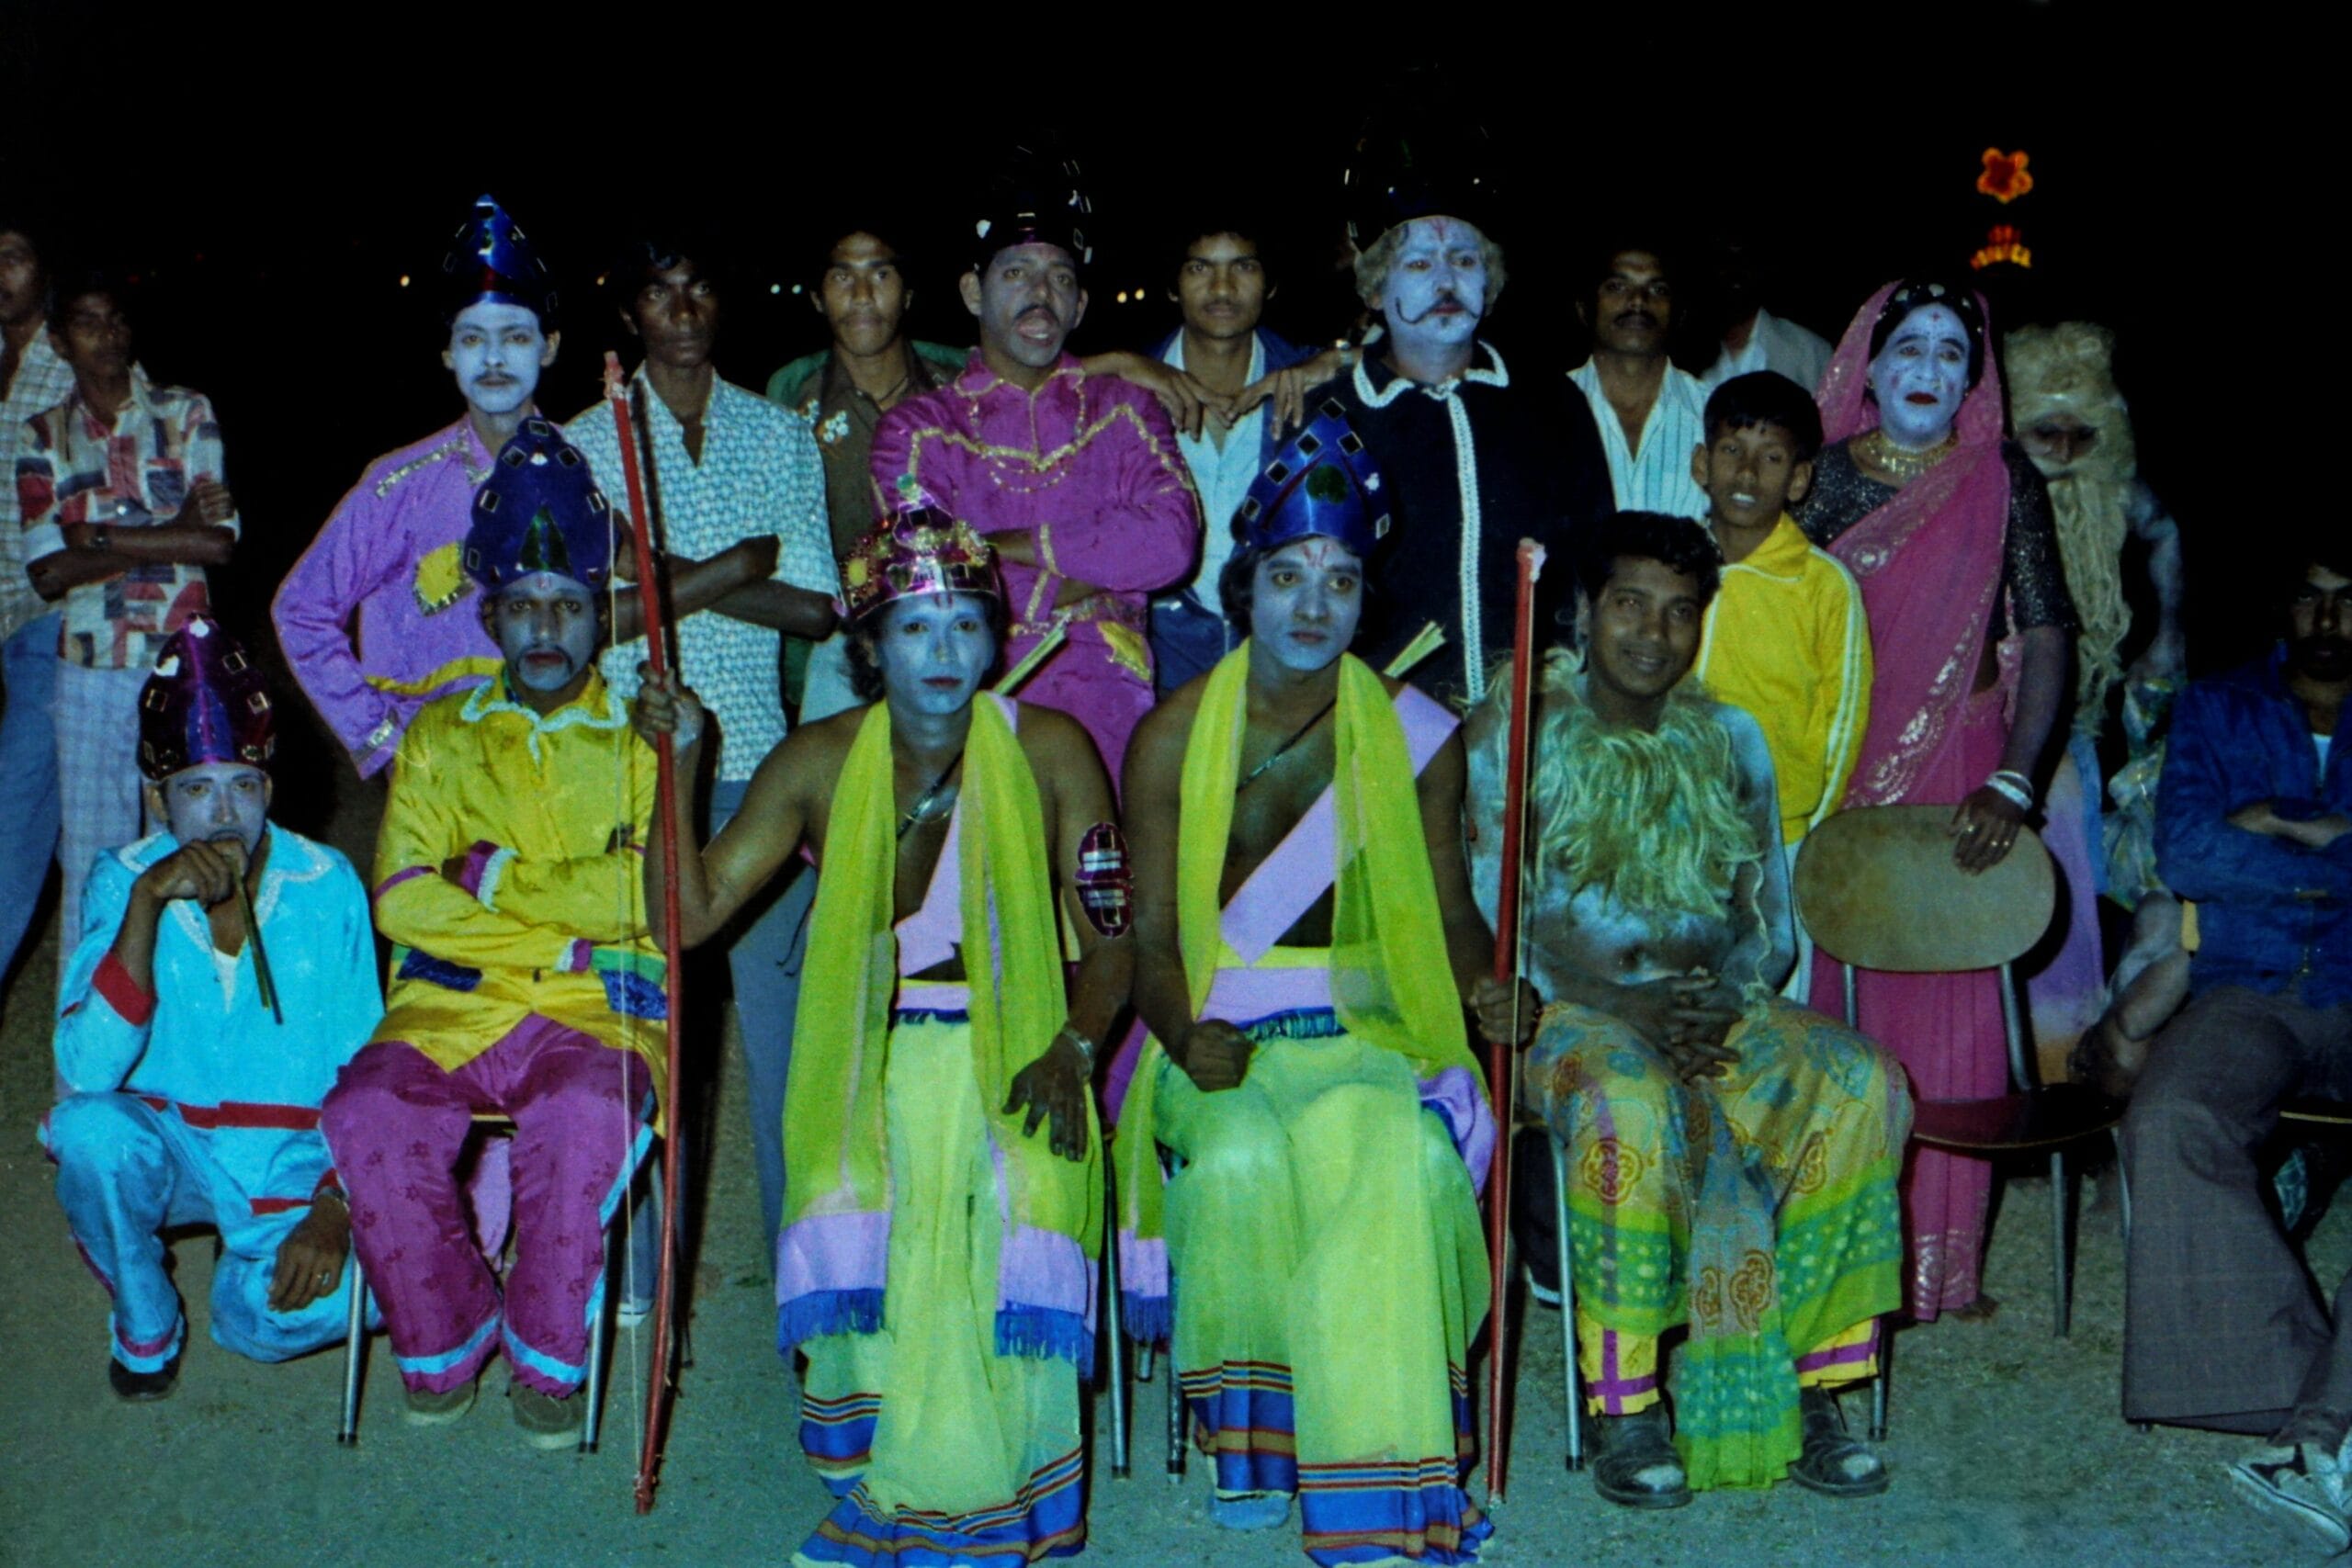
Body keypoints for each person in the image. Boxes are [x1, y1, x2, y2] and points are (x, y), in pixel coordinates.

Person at [633, 513, 1125, 1565]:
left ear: (997, 639)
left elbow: (1115, 941)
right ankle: (903, 1453)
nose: (942, 654)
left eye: (962, 626)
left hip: (1023, 1049)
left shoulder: (1051, 751)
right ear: (867, 647)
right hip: (867, 1052)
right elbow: (690, 913)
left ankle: (937, 1503)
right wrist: (676, 764)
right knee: (890, 1154)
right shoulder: (817, 760)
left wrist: (1073, 1051)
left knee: (975, 1171)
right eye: (912, 629)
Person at [1114, 408, 1510, 1563]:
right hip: (1222, 1036)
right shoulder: (1171, 738)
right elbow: (1144, 937)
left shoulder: (1414, 735)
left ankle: (1383, 1480)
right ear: (1245, 588)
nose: (1312, 605)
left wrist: (1490, 988)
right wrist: (1183, 1035)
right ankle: (1255, 1445)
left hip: (1364, 1026)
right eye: (1287, 576)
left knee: (1389, 1154)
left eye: (1339, 581)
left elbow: (1448, 912)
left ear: (1363, 599)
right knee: (1235, 1163)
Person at [1467, 511, 1909, 1507]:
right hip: (1563, 1019)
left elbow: (1769, 922)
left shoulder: (1730, 737)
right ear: (1582, 613)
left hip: (1712, 1008)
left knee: (1857, 1081)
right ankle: (1622, 1406)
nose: (1651, 634)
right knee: (1626, 1103)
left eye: (1677, 612)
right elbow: (1495, 923)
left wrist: (1722, 1002)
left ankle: (1822, 1383)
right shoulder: (1515, 732)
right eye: (1628, 605)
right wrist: (1621, 1002)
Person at [320, 420, 663, 1449]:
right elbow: (401, 900)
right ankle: (453, 1321)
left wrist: (496, 879)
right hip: (453, 1000)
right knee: (367, 1112)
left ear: (598, 616)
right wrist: (561, 930)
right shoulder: (437, 734)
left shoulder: (648, 734)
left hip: (600, 1007)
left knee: (581, 1117)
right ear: (492, 616)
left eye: (566, 607)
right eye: (522, 609)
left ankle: (549, 1355)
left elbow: (647, 899)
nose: (544, 629)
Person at [1798, 280, 2075, 1323]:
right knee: (1838, 1002)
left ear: (1973, 377)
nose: (1926, 368)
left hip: (1965, 772)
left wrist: (2015, 776)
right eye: (1905, 346)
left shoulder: (2000, 480)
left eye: (1951, 352)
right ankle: (1834, 1251)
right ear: (1865, 366)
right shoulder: (1818, 479)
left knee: (1949, 1003)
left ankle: (1934, 1270)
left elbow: (2047, 632)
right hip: (1841, 769)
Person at [564, 233, 840, 1273]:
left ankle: (802, 1276)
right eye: (657, 291)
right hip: (632, 767)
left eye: (697, 287)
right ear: (631, 313)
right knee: (643, 1047)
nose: (679, 306)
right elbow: (584, 623)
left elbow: (816, 608)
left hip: (761, 771)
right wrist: (734, 564)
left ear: (721, 306)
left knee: (783, 1049)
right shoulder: (584, 442)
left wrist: (657, 575)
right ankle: (642, 1279)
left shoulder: (778, 435)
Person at [42, 617, 377, 1400]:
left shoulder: (325, 883)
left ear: (271, 789)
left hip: (288, 1167)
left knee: (307, 1304)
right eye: (196, 788)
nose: (223, 814)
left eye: (244, 785)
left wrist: (336, 1206)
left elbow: (369, 1067)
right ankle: (145, 1315)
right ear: (159, 799)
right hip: (174, 1148)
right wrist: (146, 904)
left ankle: (242, 1294)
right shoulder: (122, 876)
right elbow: (88, 1066)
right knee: (90, 1135)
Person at [2120, 552, 2352, 1551]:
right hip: (2247, 987)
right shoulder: (2217, 707)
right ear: (2281, 605)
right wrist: (2331, 843)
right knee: (2169, 1115)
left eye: (2349, 599)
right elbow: (2184, 851)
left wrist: (2268, 830)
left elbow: (2225, 852)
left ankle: (2324, 1434)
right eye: (2309, 594)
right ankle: (2301, 1389)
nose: (2328, 617)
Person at [868, 152, 1198, 784]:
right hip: (973, 712)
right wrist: (1096, 581)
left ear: (1079, 306)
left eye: (1060, 278)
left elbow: (1170, 543)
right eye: (1016, 273)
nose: (1040, 295)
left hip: (1113, 722)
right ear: (973, 291)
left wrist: (1004, 547)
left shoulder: (1124, 410)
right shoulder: (917, 431)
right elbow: (931, 583)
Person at [274, 196, 565, 781]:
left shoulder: (590, 467)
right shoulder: (398, 485)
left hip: (562, 757)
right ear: (446, 354)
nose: (493, 360)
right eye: (471, 339)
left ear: (549, 346)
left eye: (515, 337)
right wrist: (382, 739)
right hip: (439, 769)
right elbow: (301, 608)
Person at [1326, 175, 1611, 707]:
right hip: (1389, 719)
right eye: (1417, 264)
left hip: (1532, 718)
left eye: (1463, 261)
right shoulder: (1334, 412)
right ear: (1374, 291)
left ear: (1491, 282)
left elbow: (1594, 559)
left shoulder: (1552, 403)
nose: (1445, 282)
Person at [18, 271, 238, 953]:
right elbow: (49, 571)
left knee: (191, 849)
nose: (108, 336)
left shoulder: (186, 411)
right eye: (88, 323)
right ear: (58, 340)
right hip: (88, 670)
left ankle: (185, 1041)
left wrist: (101, 538)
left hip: (183, 665)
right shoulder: (42, 436)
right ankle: (88, 1054)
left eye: (116, 321)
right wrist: (168, 526)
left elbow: (216, 541)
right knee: (92, 864)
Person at [2006, 322, 2188, 1078]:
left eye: (2083, 433)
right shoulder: (1993, 485)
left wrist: (2168, 636)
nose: (2066, 448)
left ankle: (2065, 1067)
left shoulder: (2116, 490)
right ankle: (2002, 1060)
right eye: (2046, 431)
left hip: (2074, 721)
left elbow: (2165, 530)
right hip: (1992, 712)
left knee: (2070, 883)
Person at [1686, 372, 1871, 903]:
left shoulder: (1823, 585)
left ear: (1798, 479)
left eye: (1770, 458)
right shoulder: (1671, 563)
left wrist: (1815, 832)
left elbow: (1842, 721)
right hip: (1676, 813)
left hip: (1778, 830)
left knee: (1768, 973)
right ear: (1702, 463)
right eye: (1731, 450)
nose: (1746, 471)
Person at [1144, 222, 1329, 694]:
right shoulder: (1128, 389)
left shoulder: (1309, 379)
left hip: (1278, 654)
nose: (1222, 288)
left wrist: (1338, 362)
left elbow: (1413, 365)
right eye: (1200, 267)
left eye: (1243, 267)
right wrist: (1114, 364)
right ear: (1173, 284)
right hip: (1159, 651)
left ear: (1270, 284)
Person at [0, 214, 76, 982]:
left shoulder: (75, 356)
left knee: (13, 822)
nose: (1, 274)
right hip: (8, 628)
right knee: (83, 835)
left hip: (56, 625)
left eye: (14, 257)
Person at [1568, 242, 1712, 520]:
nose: (1638, 301)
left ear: (1679, 313)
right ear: (1584, 308)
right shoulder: (1544, 412)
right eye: (1617, 287)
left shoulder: (1713, 415)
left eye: (1658, 290)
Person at [1697, 235, 1833, 395]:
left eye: (1743, 260)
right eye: (1724, 261)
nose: (1734, 274)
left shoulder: (1808, 351)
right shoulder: (1688, 355)